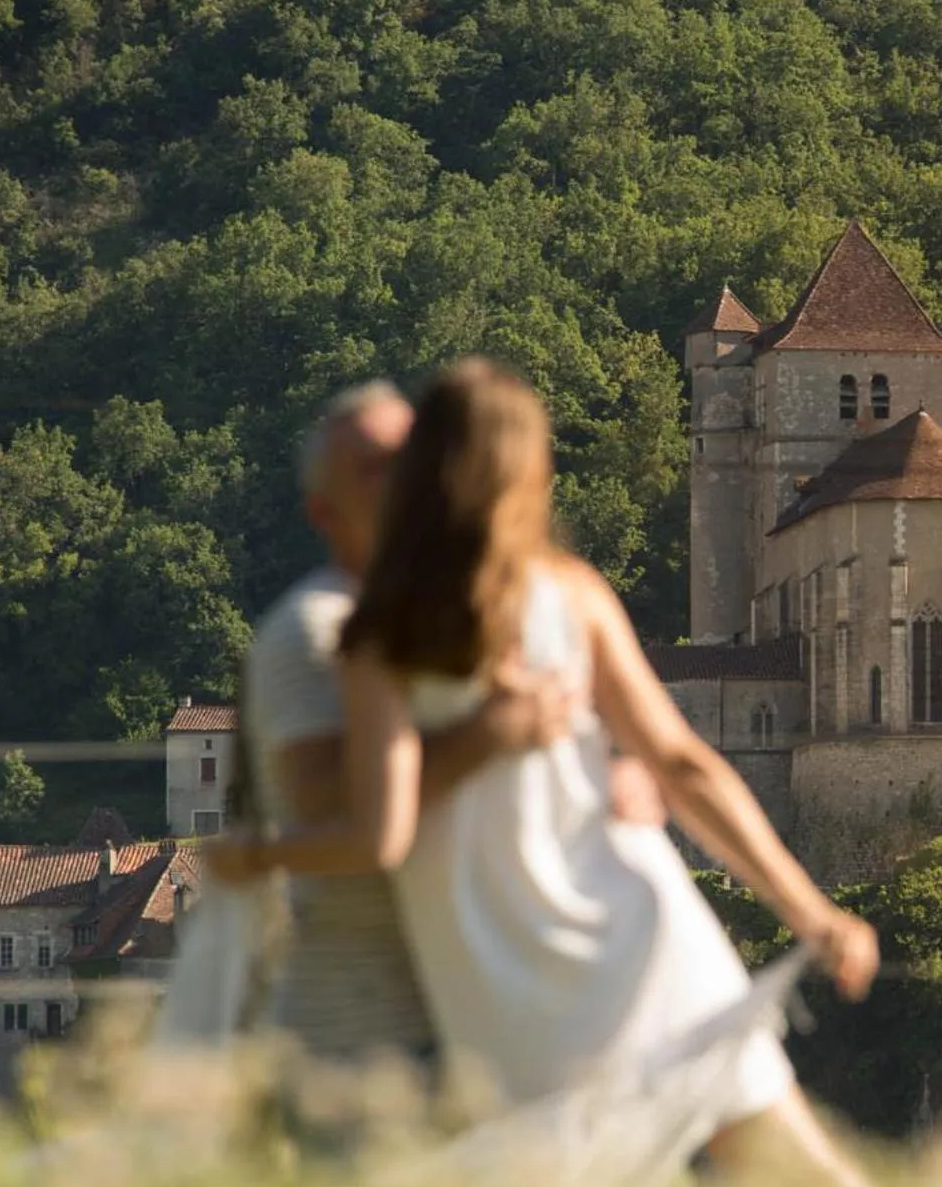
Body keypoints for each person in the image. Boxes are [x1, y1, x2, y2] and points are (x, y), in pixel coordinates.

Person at [208, 361, 889, 1187]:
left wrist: (254, 853)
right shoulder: (572, 595)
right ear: (532, 475)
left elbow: (379, 836)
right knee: (802, 1177)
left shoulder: (378, 637)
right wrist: (811, 911)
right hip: (641, 925)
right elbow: (686, 765)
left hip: (500, 980)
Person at [238, 381, 666, 1070]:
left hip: (480, 998)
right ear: (323, 510)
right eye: (371, 468)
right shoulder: (314, 631)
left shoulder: (470, 610)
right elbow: (334, 810)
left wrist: (603, 777)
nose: (404, 480)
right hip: (363, 1026)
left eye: (413, 457)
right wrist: (495, 734)